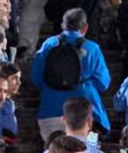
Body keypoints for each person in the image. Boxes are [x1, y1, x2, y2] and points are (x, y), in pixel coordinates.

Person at [32, 8, 113, 137]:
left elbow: (36, 76)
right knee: (87, 152)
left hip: (49, 110)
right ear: (85, 28)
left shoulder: (49, 44)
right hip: (85, 114)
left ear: (62, 25)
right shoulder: (92, 48)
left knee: (53, 151)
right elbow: (103, 83)